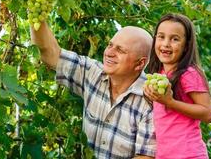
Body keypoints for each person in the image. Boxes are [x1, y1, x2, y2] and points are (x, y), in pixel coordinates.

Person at [30, 20, 156, 158]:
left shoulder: (151, 99)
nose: (109, 52)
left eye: (120, 50)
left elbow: (146, 156)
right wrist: (36, 15)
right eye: (110, 45)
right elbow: (50, 55)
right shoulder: (92, 73)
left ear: (140, 63)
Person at [143, 13, 211, 159]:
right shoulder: (160, 74)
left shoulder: (189, 74)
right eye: (161, 36)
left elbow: (208, 114)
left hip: (188, 154)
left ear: (186, 45)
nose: (166, 44)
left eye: (175, 39)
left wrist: (170, 102)